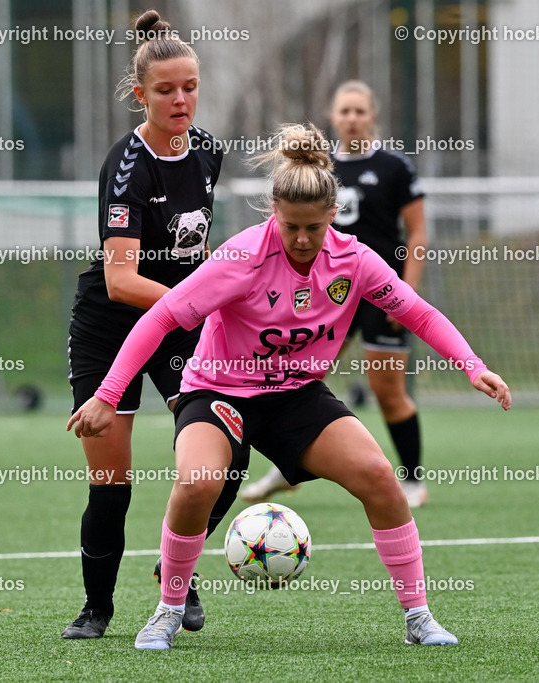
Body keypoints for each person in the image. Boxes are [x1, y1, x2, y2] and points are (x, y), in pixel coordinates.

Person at [68, 123, 511, 651]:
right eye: (291, 227)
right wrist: (108, 395)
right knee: (197, 482)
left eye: (312, 228)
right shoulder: (241, 257)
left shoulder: (355, 259)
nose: (301, 240)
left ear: (332, 217)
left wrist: (471, 364)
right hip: (219, 393)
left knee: (377, 475)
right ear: (273, 212)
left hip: (296, 395)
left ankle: (418, 617)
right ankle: (167, 609)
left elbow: (416, 312)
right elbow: (160, 317)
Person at [62, 9, 243, 640]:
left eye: (190, 86)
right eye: (166, 90)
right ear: (141, 95)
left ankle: (176, 567)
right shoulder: (126, 164)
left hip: (178, 321)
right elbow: (121, 280)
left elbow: (196, 249)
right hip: (110, 326)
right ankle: (96, 611)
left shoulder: (211, 153)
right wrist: (205, 300)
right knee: (111, 484)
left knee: (225, 459)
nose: (181, 99)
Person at [240, 80, 431, 508]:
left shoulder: (394, 167)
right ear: (333, 116)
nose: (352, 118)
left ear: (373, 116)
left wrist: (407, 289)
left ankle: (414, 480)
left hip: (380, 295)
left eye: (360, 111)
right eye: (344, 111)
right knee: (297, 379)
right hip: (330, 297)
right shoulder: (320, 172)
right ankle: (286, 468)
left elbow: (417, 231)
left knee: (387, 389)